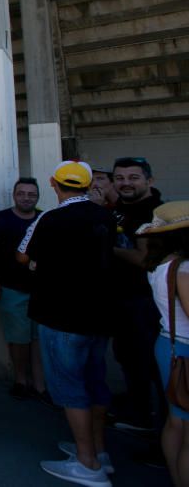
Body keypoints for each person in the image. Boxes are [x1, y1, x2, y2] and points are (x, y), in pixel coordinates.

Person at [17, 161, 115, 485]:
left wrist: (38, 262)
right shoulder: (104, 215)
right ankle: (98, 451)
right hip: (99, 315)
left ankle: (87, 464)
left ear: (53, 184)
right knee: (95, 381)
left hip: (61, 315)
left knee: (71, 389)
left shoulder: (51, 217)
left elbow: (23, 255)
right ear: (88, 185)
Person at [110, 156, 164, 432]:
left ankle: (161, 428)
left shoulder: (154, 213)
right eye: (120, 178)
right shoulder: (118, 208)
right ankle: (138, 410)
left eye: (133, 178)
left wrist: (106, 248)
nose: (125, 183)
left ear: (148, 180)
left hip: (144, 301)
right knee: (128, 357)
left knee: (150, 363)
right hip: (120, 297)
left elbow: (145, 259)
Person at [138, 201, 189, 486]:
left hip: (170, 345)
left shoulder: (162, 265)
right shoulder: (183, 269)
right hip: (184, 349)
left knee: (176, 420)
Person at [0, 177, 47, 401]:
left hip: (41, 291)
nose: (26, 198)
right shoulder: (0, 219)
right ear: (14, 195)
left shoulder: (44, 219)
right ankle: (21, 380)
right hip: (11, 288)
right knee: (18, 338)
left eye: (31, 194)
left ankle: (40, 385)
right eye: (22, 193)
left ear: (38, 196)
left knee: (39, 339)